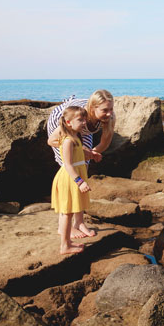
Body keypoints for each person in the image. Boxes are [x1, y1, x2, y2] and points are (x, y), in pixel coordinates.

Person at [47, 89, 115, 238]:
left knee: (82, 168)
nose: (109, 113)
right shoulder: (77, 115)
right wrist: (71, 146)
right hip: (64, 124)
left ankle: (79, 222)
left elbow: (104, 143)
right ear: (92, 108)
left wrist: (90, 154)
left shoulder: (109, 116)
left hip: (83, 129)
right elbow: (52, 141)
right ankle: (63, 226)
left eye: (111, 108)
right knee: (70, 172)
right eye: (105, 110)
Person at [50, 105, 93, 255]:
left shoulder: (76, 137)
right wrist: (80, 182)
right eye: (80, 120)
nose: (84, 123)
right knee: (67, 212)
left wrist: (91, 155)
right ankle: (64, 246)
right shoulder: (68, 140)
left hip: (74, 176)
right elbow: (67, 164)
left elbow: (77, 158)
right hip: (69, 178)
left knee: (69, 212)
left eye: (84, 120)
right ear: (68, 122)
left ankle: (67, 241)